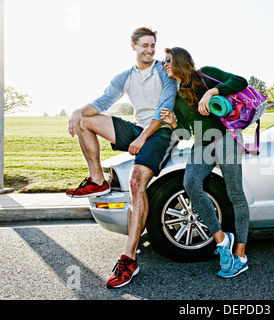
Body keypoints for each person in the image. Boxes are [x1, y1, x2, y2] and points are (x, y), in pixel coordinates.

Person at [67, 27, 178, 288]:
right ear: (133, 47)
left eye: (153, 45)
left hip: (161, 133)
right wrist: (76, 110)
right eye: (145, 46)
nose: (150, 50)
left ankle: (129, 258)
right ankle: (97, 179)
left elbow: (166, 110)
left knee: (136, 182)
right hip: (139, 129)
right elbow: (102, 102)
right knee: (85, 120)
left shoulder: (164, 71)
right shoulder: (125, 77)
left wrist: (141, 139)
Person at [160, 47, 250, 278]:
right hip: (202, 144)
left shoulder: (206, 74)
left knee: (235, 194)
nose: (165, 63)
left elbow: (240, 81)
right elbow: (185, 134)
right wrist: (172, 122)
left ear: (180, 60)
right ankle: (222, 240)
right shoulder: (179, 96)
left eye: (168, 59)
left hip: (225, 137)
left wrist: (210, 93)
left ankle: (240, 255)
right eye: (163, 61)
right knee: (190, 182)